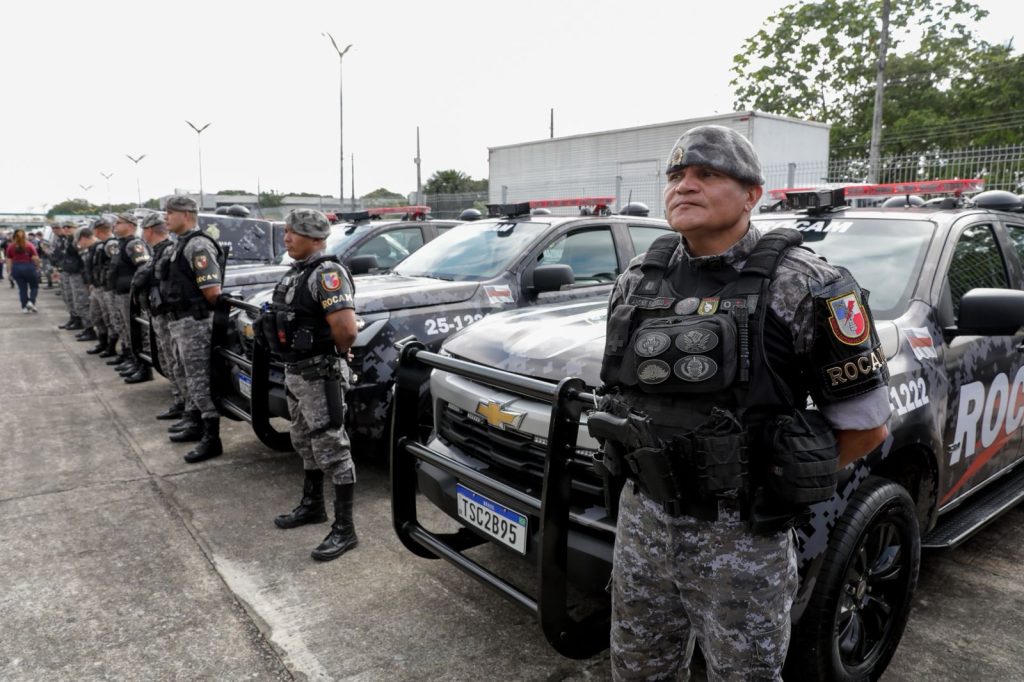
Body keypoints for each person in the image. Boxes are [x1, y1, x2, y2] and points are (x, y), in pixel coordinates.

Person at [596, 125, 891, 681]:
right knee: (636, 672)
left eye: (707, 174)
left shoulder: (805, 283)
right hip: (644, 523)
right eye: (677, 176)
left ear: (752, 194)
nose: (685, 186)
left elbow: (866, 426)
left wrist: (774, 482)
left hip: (743, 540)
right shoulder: (638, 279)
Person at [259, 208, 359, 561]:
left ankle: (345, 529)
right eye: (285, 231)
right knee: (303, 439)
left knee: (331, 443)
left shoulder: (327, 273)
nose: (286, 237)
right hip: (296, 370)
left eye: (293, 233)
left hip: (320, 372)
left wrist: (337, 355)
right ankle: (313, 505)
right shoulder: (297, 273)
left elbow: (346, 329)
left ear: (316, 238)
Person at [158, 194, 225, 463]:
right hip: (180, 321)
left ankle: (212, 438)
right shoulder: (180, 243)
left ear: (186, 214)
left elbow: (211, 291)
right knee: (185, 374)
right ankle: (196, 423)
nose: (166, 217)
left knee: (200, 380)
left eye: (170, 212)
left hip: (195, 323)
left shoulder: (197, 245)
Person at [134, 212, 185, 402]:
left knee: (174, 360)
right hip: (158, 312)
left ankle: (183, 403)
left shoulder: (168, 251)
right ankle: (179, 400)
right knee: (167, 359)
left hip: (167, 314)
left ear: (148, 230)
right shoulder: (158, 251)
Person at [108, 212, 152, 381]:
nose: (115, 225)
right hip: (121, 294)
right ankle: (134, 360)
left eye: (119, 223)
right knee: (128, 331)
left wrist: (136, 290)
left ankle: (144, 367)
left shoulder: (134, 244)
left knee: (138, 332)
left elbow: (143, 267)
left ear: (131, 226)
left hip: (130, 295)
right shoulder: (121, 244)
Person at [6, 228, 42, 312]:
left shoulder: (10, 246)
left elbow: (9, 260)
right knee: (34, 287)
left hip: (16, 268)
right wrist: (38, 267)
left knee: (22, 289)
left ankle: (24, 307)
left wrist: (9, 271)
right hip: (29, 267)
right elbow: (35, 258)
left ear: (14, 236)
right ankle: (31, 302)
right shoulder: (29, 245)